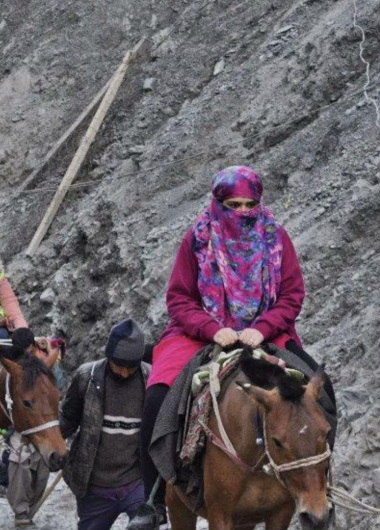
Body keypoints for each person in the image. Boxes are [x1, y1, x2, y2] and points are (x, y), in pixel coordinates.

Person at [128, 166, 326, 529]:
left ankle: (321, 482)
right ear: (218, 202)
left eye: (250, 204)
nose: (243, 211)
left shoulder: (276, 237)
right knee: (158, 395)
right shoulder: (197, 238)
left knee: (322, 393)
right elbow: (179, 298)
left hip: (265, 333)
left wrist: (262, 327)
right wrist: (212, 328)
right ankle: (153, 497)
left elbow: (292, 294)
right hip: (200, 332)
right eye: (234, 204)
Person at [59, 319, 149, 530]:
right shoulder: (86, 377)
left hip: (135, 483)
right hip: (94, 487)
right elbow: (68, 420)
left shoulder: (150, 379)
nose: (125, 373)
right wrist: (49, 438)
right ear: (109, 356)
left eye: (131, 367)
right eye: (119, 366)